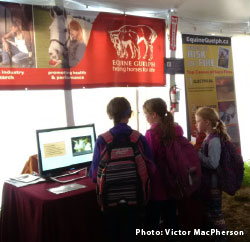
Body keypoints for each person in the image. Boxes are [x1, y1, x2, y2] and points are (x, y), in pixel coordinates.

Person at [89, 97, 155, 242]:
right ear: (130, 114)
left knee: (113, 234)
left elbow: (94, 175)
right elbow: (151, 168)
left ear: (110, 115)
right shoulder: (138, 138)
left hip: (109, 201)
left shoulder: (103, 140)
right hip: (135, 199)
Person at [143, 98, 184, 237]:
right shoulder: (176, 129)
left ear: (154, 115)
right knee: (171, 218)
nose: (145, 117)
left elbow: (149, 158)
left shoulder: (151, 133)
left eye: (145, 114)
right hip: (174, 180)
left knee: (152, 222)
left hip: (158, 183)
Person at [195, 107, 229, 242]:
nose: (196, 124)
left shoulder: (213, 140)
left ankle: (221, 238)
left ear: (207, 122)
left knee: (216, 212)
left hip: (213, 183)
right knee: (210, 211)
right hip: (209, 182)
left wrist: (198, 154)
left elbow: (213, 163)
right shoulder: (208, 138)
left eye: (197, 121)